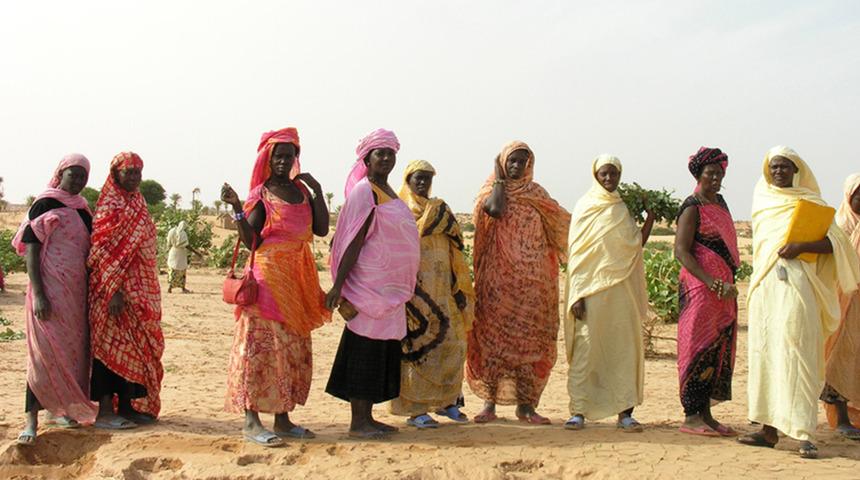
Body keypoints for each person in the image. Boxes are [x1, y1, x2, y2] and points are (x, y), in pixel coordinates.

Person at [740, 146, 860, 458]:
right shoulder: (762, 202)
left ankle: (805, 434)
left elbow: (838, 244)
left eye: (785, 167)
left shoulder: (811, 203)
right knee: (767, 356)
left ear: (796, 170)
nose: (779, 172)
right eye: (774, 167)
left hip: (799, 288)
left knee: (800, 356)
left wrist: (801, 246)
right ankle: (768, 430)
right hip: (766, 290)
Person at [221, 127, 331, 447]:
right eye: (278, 155)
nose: (283, 161)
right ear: (269, 158)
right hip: (268, 278)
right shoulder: (262, 194)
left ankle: (283, 419)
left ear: (297, 157)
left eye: (289, 155)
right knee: (261, 349)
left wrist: (318, 192)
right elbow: (251, 240)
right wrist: (236, 207)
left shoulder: (302, 193)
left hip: (299, 279)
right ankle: (251, 421)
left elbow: (321, 229)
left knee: (291, 348)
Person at [324, 128, 420, 439]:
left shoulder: (389, 192)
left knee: (380, 352)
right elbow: (353, 240)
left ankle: (368, 417)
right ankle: (358, 422)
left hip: (391, 292)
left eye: (391, 153)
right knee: (364, 351)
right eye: (381, 153)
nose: (387, 158)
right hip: (369, 288)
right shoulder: (365, 191)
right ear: (367, 158)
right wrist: (339, 287)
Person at [467, 141, 571, 424]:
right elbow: (495, 210)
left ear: (530, 164)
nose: (517, 166)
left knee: (530, 345)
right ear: (502, 163)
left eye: (522, 161)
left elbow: (562, 226)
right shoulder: (491, 191)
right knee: (494, 342)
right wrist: (498, 177)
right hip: (498, 284)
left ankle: (526, 406)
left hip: (534, 287)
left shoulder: (537, 194)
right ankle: (489, 404)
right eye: (511, 160)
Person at [11, 154, 99, 445]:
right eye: (72, 175)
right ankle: (31, 421)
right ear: (60, 174)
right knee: (42, 357)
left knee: (72, 355)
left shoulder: (83, 209)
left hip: (74, 296)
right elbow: (32, 251)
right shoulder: (45, 204)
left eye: (82, 177)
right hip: (48, 290)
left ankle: (61, 410)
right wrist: (38, 293)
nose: (77, 181)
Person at [563, 154, 652, 433]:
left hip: (621, 292)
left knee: (623, 351)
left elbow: (635, 244)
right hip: (590, 293)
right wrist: (576, 295)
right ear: (595, 175)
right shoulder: (585, 207)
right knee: (586, 351)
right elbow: (576, 257)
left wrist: (650, 218)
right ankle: (579, 410)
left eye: (613, 174)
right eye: (604, 173)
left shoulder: (623, 209)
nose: (609, 179)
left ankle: (625, 413)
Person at [390, 160, 475, 428]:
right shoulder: (399, 211)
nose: (424, 183)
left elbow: (455, 251)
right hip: (414, 295)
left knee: (453, 344)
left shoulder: (441, 210)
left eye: (428, 178)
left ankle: (448, 403)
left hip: (443, 292)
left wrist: (459, 286)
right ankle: (416, 410)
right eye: (419, 178)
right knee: (417, 349)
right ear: (408, 180)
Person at [88, 151, 164, 429]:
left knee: (136, 348)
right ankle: (106, 411)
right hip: (111, 292)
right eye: (128, 172)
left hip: (140, 291)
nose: (133, 177)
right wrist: (114, 290)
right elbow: (103, 251)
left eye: (137, 173)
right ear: (115, 174)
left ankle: (129, 406)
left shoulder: (139, 203)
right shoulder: (110, 206)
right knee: (110, 348)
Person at [674, 147, 740, 437]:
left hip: (723, 294)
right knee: (696, 348)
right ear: (698, 175)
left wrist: (724, 284)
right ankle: (691, 416)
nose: (715, 177)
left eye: (719, 173)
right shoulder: (692, 206)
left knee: (716, 350)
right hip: (700, 291)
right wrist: (712, 282)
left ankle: (707, 414)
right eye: (709, 173)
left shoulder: (721, 204)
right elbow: (681, 251)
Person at [822, 173, 860, 439]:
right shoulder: (839, 225)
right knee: (840, 356)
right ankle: (842, 416)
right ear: (849, 197)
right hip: (842, 302)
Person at [166, 221, 198, 294]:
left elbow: (168, 242)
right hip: (180, 254)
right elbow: (186, 245)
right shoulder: (183, 233)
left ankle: (170, 288)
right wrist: (196, 252)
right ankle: (183, 288)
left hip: (173, 252)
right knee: (182, 271)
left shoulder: (172, 231)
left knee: (172, 270)